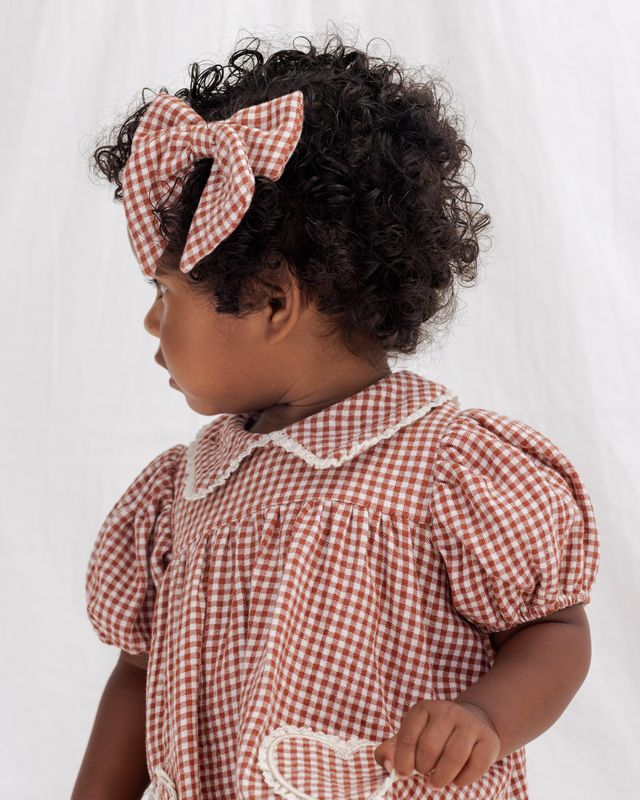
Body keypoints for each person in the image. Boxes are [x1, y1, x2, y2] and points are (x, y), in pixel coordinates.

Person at [72, 30, 600, 800]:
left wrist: (486, 715)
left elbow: (555, 628)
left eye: (165, 294)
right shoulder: (180, 497)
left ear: (272, 303)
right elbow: (136, 675)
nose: (153, 325)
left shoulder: (450, 471)